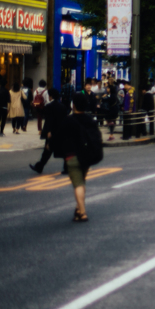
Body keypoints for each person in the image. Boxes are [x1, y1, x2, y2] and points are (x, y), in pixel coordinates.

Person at [51, 93, 101, 222]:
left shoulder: (68, 120)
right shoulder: (90, 120)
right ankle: (78, 210)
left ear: (73, 105)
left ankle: (82, 212)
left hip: (72, 157)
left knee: (78, 184)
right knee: (82, 182)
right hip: (87, 156)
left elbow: (58, 136)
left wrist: (50, 145)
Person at [31, 88, 67, 174]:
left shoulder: (49, 106)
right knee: (64, 150)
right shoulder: (63, 106)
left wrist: (48, 131)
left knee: (47, 150)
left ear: (50, 96)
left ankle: (39, 166)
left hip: (52, 131)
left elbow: (48, 120)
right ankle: (67, 168)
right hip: (61, 131)